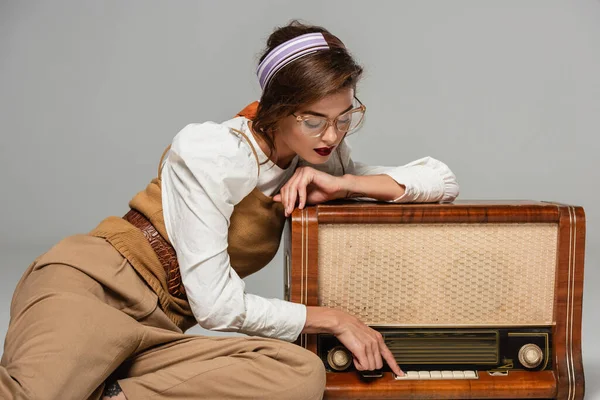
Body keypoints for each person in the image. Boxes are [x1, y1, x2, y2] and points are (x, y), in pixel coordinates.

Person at [0, 20, 459, 400]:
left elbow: (441, 179)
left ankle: (104, 389)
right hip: (99, 288)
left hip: (166, 327)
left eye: (345, 117)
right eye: (314, 120)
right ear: (277, 110)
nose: (332, 135)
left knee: (299, 375)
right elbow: (218, 307)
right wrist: (333, 317)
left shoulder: (318, 159)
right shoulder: (213, 152)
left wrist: (346, 182)